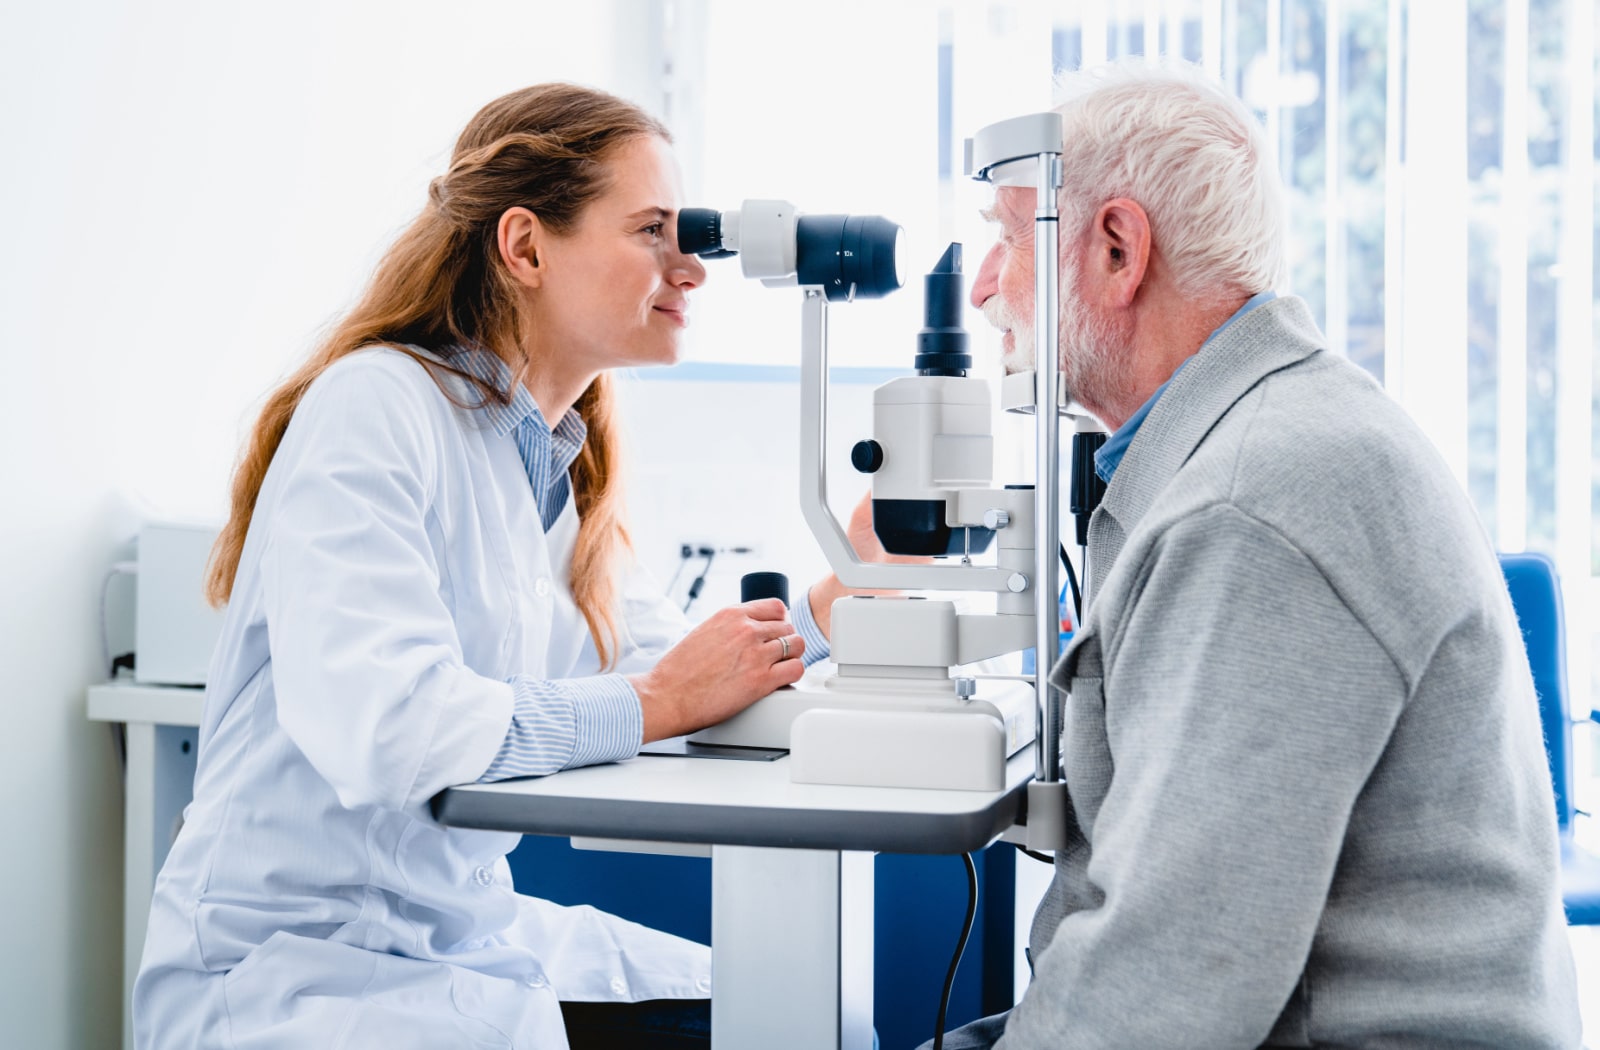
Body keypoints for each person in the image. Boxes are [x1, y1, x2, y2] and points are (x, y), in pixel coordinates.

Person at [132, 82, 873, 1050]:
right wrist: (656, 700)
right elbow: (393, 729)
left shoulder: (553, 464)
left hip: (455, 935)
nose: (690, 268)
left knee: (802, 1016)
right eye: (652, 229)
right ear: (524, 247)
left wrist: (841, 590)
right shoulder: (379, 407)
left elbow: (669, 664)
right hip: (295, 964)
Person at [934, 58, 1582, 1048]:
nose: (982, 287)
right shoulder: (1242, 445)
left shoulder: (1251, 501)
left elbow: (1169, 987)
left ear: (1115, 248)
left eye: (1008, 240)